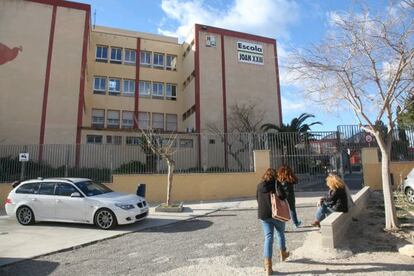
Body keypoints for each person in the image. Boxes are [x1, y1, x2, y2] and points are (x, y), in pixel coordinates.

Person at [256, 168, 289, 275]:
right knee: (280, 234)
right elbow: (283, 196)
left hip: (264, 215)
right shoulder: (276, 183)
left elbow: (257, 198)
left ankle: (268, 267)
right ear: (275, 175)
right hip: (277, 214)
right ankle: (283, 253)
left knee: (268, 237)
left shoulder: (259, 185)